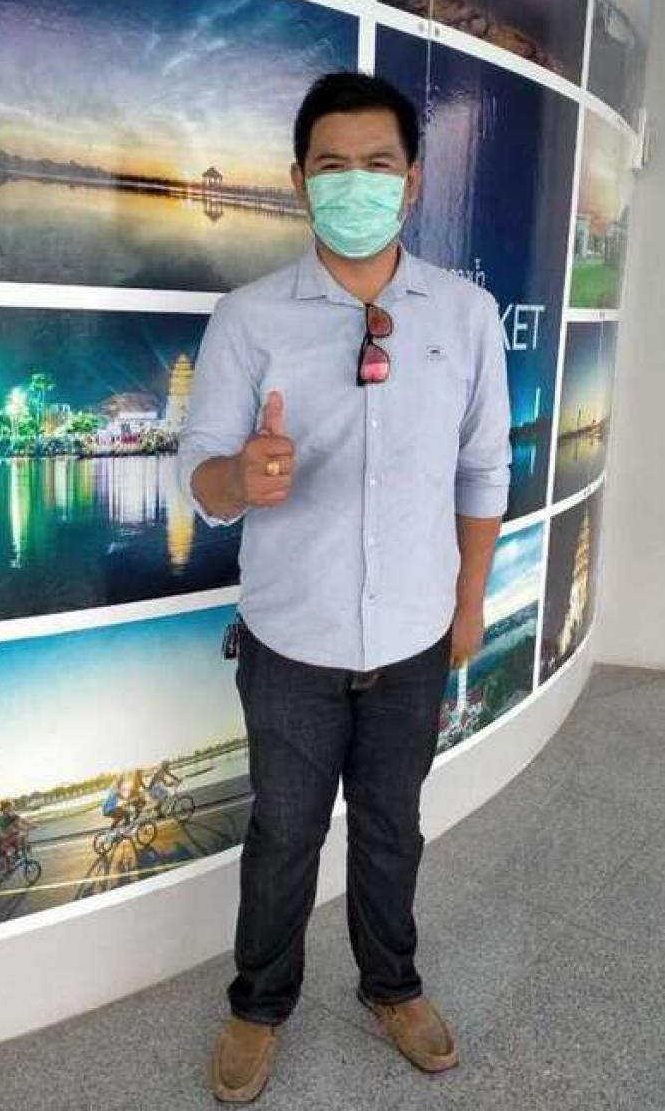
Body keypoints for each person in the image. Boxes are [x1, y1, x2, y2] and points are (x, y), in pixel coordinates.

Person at [177, 71, 511, 1103]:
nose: (355, 184)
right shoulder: (249, 319)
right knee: (284, 833)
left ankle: (391, 986)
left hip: (414, 636)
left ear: (412, 181)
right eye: (332, 166)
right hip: (291, 640)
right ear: (298, 182)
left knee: (393, 827)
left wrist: (467, 607)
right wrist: (241, 478)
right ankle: (258, 1005)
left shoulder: (465, 314)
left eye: (377, 165)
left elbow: (484, 471)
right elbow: (201, 477)